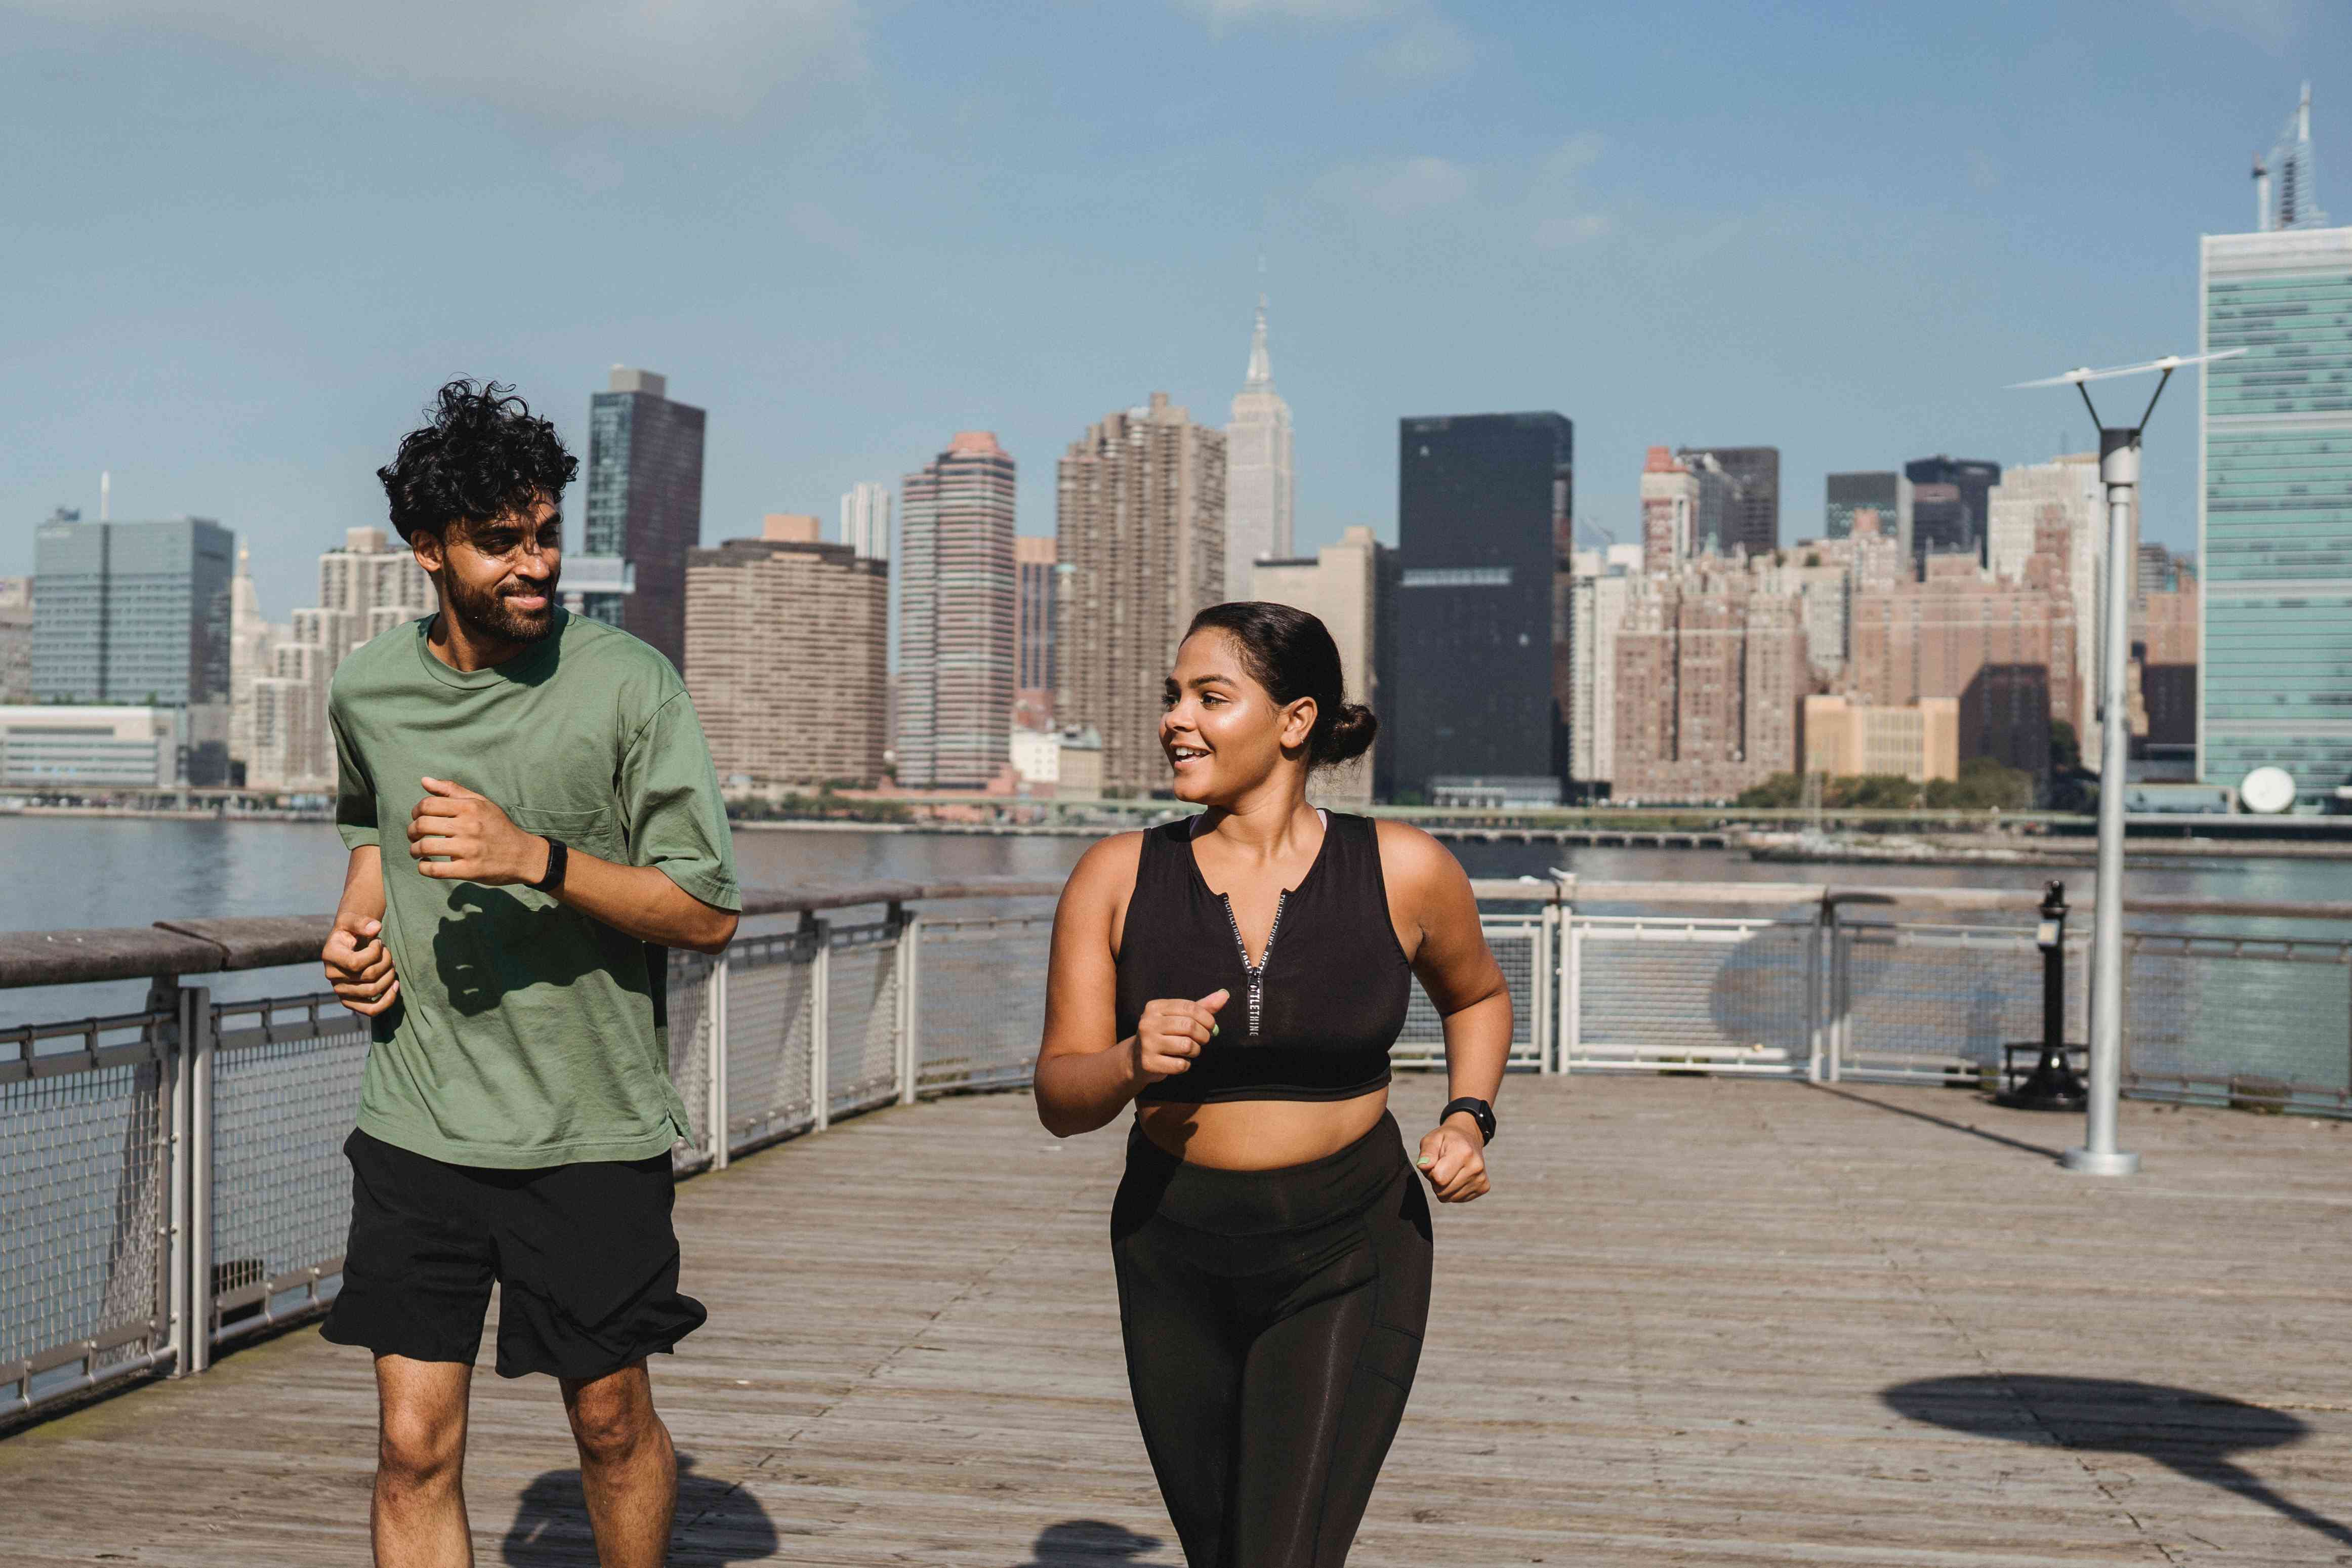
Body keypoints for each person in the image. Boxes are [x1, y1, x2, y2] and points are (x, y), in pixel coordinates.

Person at [317, 379, 741, 1568]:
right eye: (500, 540)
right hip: (417, 1121)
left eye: (545, 533)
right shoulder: (365, 690)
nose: (534, 561)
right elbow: (368, 827)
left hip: (588, 1127)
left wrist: (534, 858)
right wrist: (356, 932)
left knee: (608, 1425)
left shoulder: (628, 683)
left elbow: (705, 909)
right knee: (412, 1447)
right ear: (427, 551)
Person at [1035, 600, 1512, 1568]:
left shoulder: (1404, 866)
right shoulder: (1116, 876)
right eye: (1173, 696)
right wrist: (1129, 1060)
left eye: (1213, 696)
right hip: (1173, 1250)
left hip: (1349, 1249)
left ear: (1295, 721)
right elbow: (1058, 1096)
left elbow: (1480, 995)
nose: (1178, 718)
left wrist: (1468, 1115)